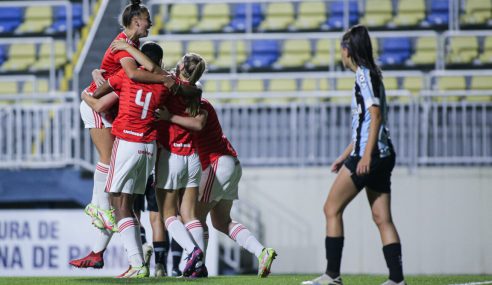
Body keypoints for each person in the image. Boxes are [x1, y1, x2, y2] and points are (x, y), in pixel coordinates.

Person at [302, 25, 406, 285]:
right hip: (382, 153)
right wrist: (343, 155)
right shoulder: (372, 75)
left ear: (347, 50)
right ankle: (397, 280)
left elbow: (375, 115)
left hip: (370, 155)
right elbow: (365, 126)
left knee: (331, 208)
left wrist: (365, 156)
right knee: (382, 218)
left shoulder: (363, 76)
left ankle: (332, 275)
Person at [74, 0, 170, 269]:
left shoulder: (131, 46)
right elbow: (133, 72)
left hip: (111, 107)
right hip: (98, 105)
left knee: (124, 202)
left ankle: (98, 251)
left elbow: (118, 72)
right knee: (108, 161)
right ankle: (97, 207)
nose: (151, 22)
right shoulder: (125, 46)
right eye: (147, 18)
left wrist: (99, 73)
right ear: (136, 20)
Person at [110, 41, 209, 278]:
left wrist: (126, 47)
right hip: (193, 157)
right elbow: (193, 102)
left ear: (182, 66)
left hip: (169, 154)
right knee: (189, 215)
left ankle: (192, 251)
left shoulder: (166, 87)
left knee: (167, 216)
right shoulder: (194, 90)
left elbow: (141, 75)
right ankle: (199, 265)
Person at [156, 96, 278, 278]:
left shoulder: (198, 106)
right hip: (231, 163)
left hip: (217, 164)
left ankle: (197, 267)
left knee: (192, 216)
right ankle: (262, 252)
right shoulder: (200, 104)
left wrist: (169, 117)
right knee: (221, 222)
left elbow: (196, 124)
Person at [133, 173, 168, 277]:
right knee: (157, 220)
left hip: (137, 172)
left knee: (133, 215)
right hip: (154, 174)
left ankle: (143, 245)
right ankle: (160, 265)